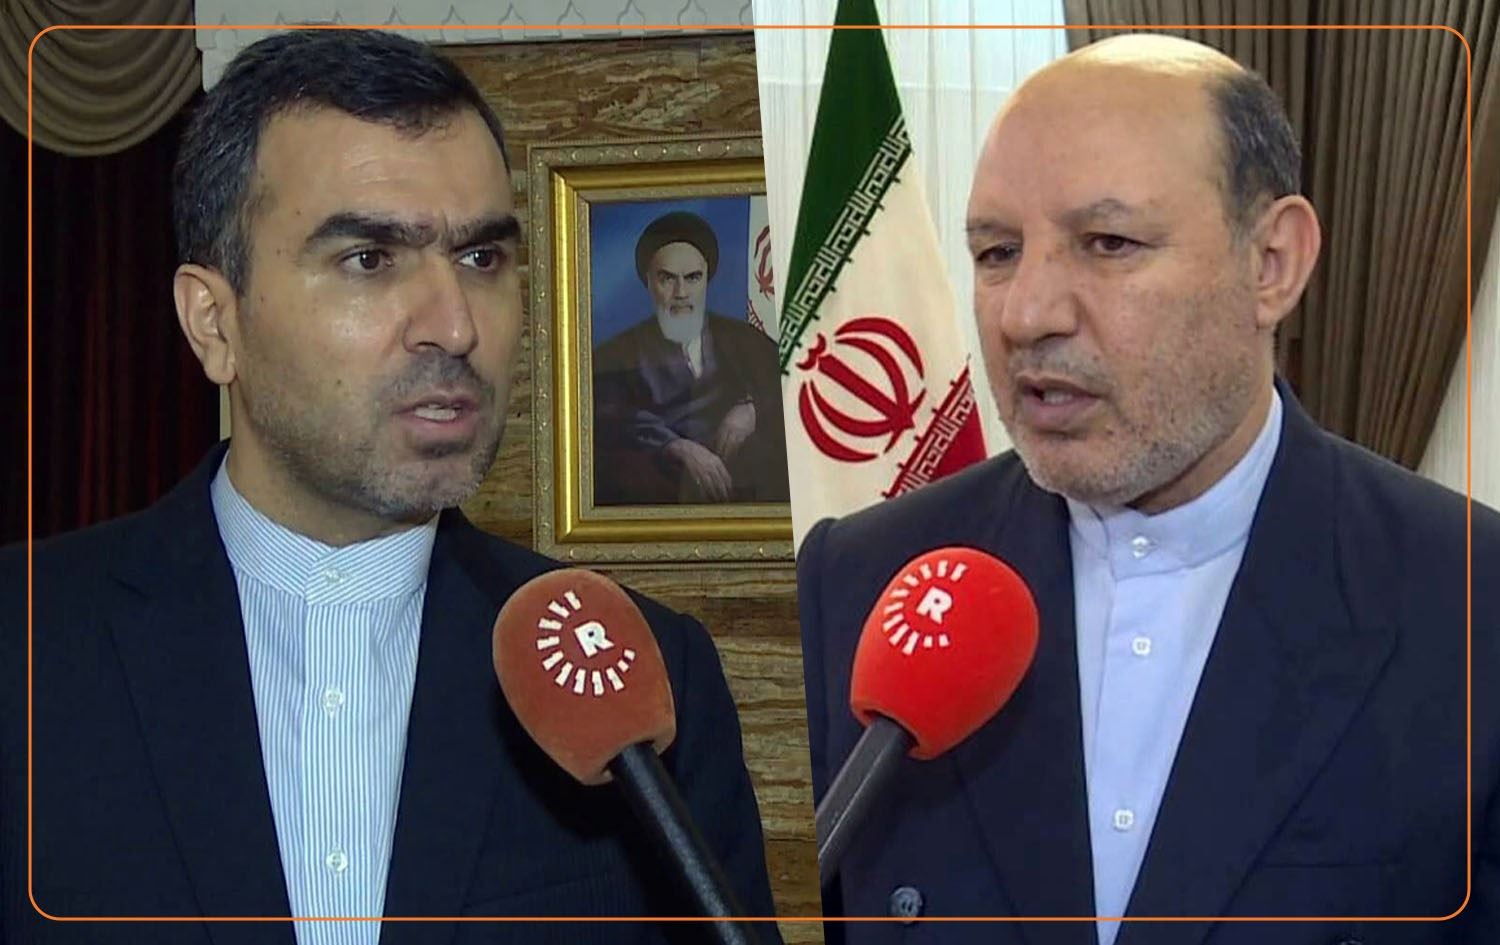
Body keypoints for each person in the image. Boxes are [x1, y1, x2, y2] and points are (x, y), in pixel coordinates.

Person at [0, 29, 779, 945]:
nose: (454, 325)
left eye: (482, 258)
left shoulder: (646, 677)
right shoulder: (27, 646)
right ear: (214, 322)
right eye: (370, 258)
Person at [797, 33, 1499, 945]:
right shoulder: (859, 580)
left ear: (1272, 263)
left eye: (1109, 243)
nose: (1026, 315)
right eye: (997, 251)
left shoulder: (1471, 600)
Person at [592, 211, 789, 506]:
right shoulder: (616, 355)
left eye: (692, 278)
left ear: (707, 280)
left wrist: (752, 409)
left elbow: (792, 386)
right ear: (649, 283)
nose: (681, 293)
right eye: (667, 279)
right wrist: (677, 447)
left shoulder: (745, 341)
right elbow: (608, 418)